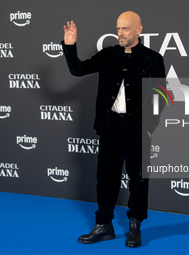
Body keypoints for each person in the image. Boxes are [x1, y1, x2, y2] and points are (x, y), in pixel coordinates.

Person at [61, 11, 165, 247]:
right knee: (106, 178)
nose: (120, 33)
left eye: (125, 29)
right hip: (110, 127)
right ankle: (103, 225)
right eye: (118, 28)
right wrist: (70, 46)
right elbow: (77, 69)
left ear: (139, 30)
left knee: (138, 179)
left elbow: (161, 96)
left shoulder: (153, 59)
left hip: (137, 128)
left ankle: (135, 225)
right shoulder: (108, 55)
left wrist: (150, 127)